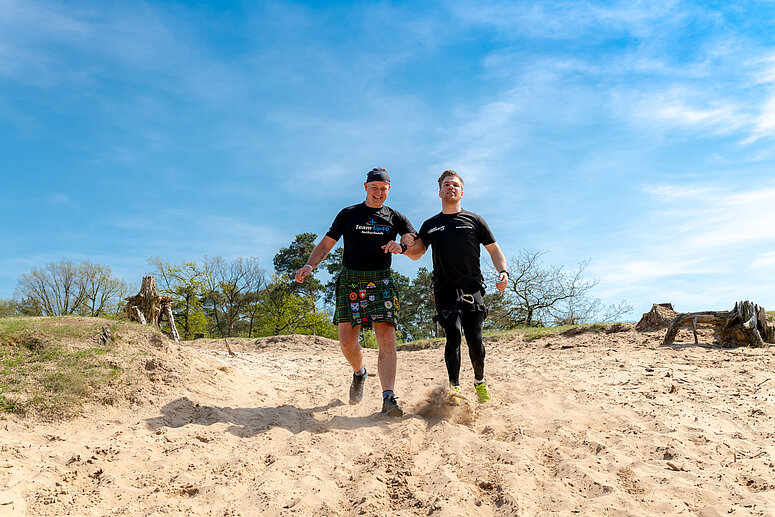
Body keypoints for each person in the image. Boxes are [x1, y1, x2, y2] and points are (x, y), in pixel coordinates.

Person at [295, 167, 416, 417]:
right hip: (351, 280)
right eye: (374, 188)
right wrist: (310, 264)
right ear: (365, 187)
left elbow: (412, 238)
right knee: (347, 342)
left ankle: (388, 398)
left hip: (381, 280)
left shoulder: (395, 217)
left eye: (383, 189)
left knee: (387, 338)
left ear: (388, 190)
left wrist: (401, 245)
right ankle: (360, 372)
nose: (379, 193)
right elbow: (327, 243)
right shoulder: (348, 214)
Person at [404, 170, 508, 403]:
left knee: (475, 339)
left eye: (455, 185)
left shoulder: (475, 221)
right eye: (446, 185)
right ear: (439, 191)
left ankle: (480, 382)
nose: (451, 187)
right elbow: (417, 253)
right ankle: (455, 388)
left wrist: (503, 271)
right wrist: (404, 246)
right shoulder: (430, 225)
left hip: (473, 289)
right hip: (445, 290)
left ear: (462, 191)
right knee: (453, 334)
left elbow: (494, 250)